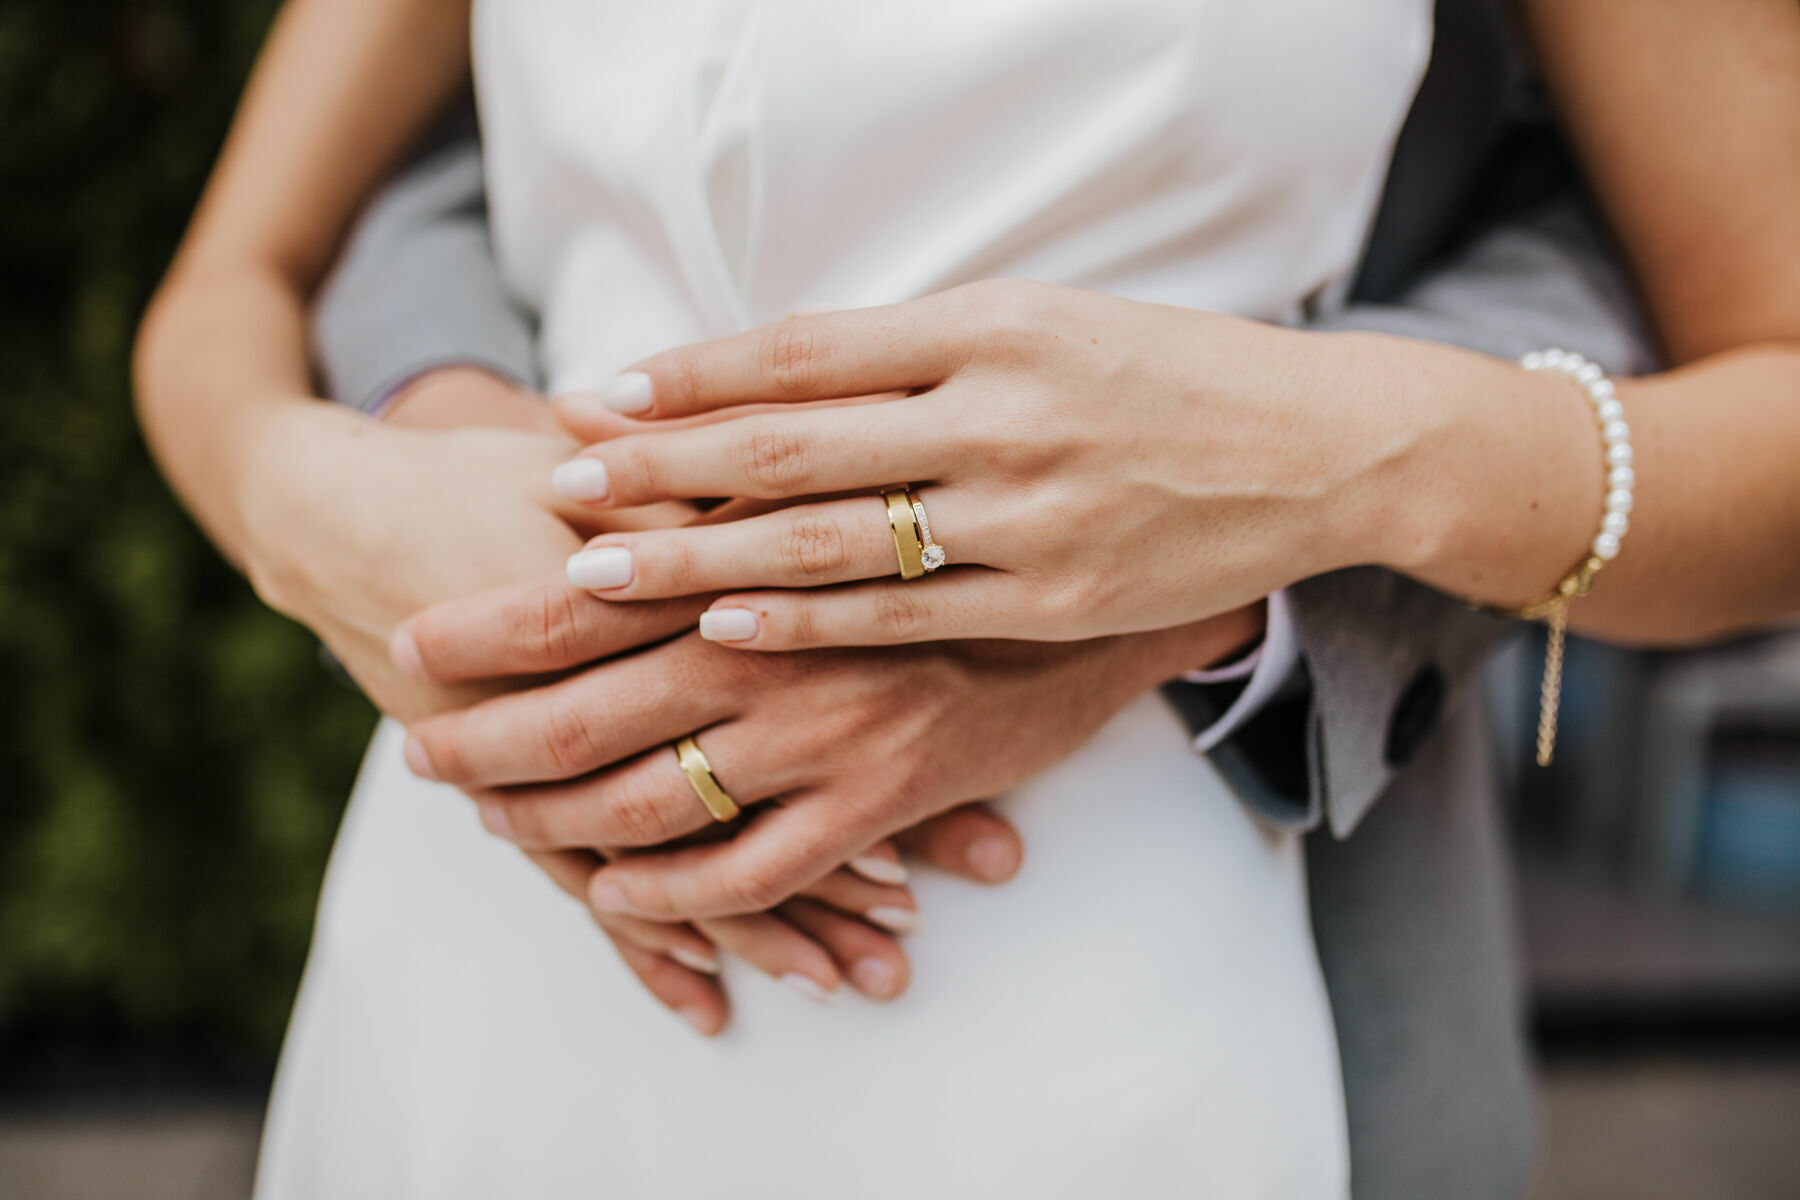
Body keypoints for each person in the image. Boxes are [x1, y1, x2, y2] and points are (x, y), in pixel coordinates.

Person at [132, 0, 1800, 1196]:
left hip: (1154, 988)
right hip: (504, 927)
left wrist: (1307, 466)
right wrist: (333, 504)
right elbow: (240, 276)